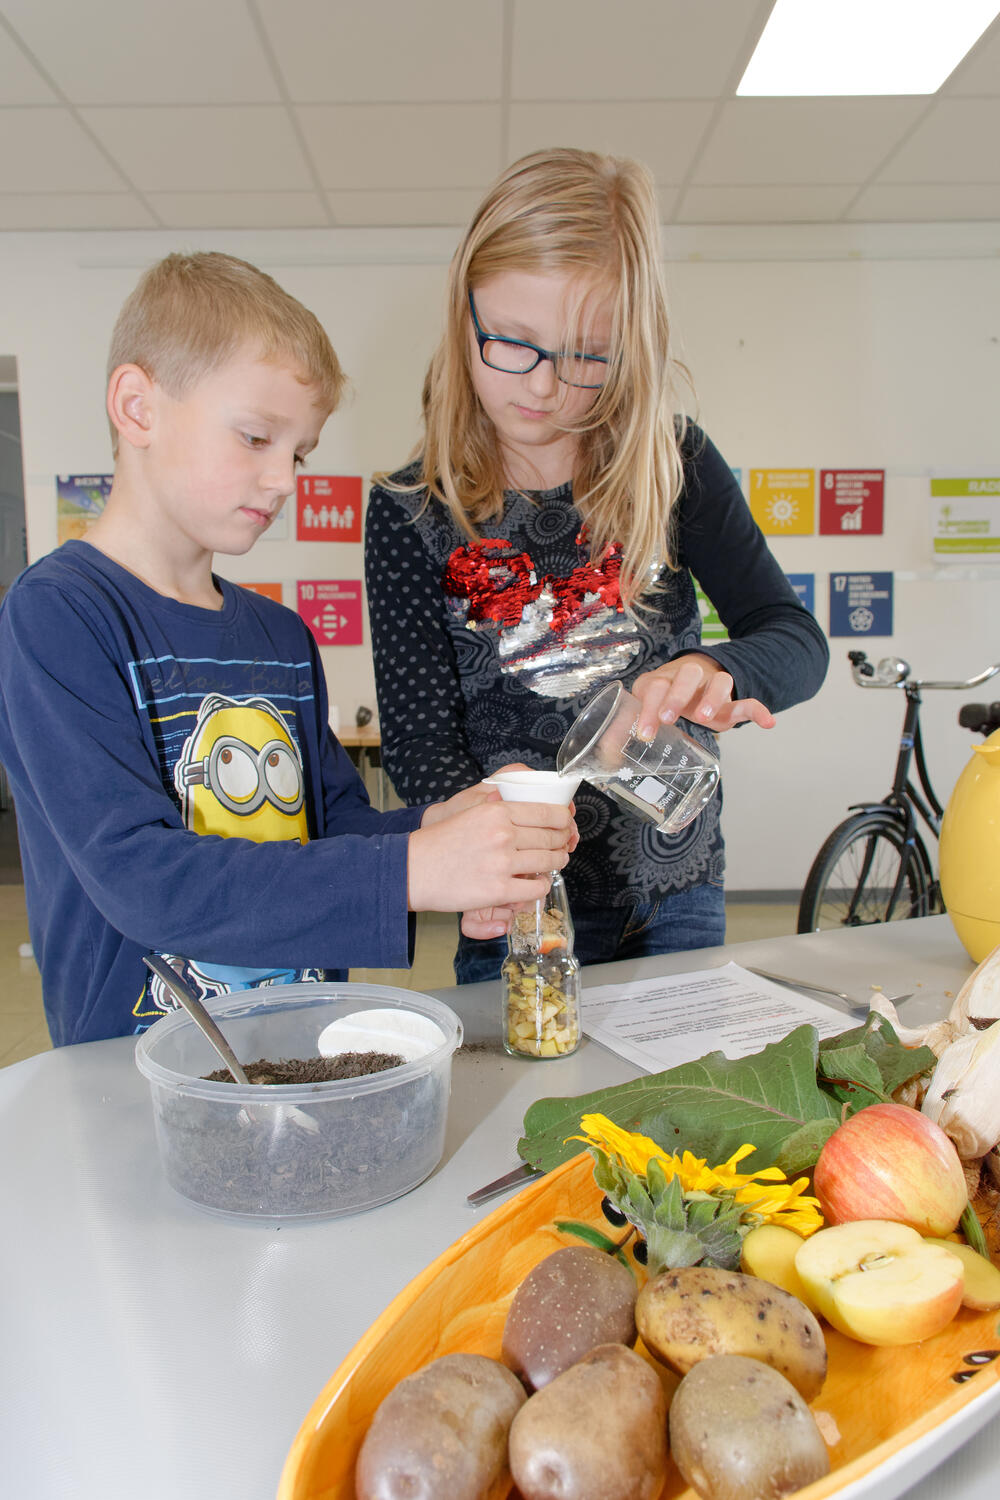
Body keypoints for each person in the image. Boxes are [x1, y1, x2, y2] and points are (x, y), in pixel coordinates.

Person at [0, 251, 574, 1046]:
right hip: (131, 1067)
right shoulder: (58, 614)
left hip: (297, 1044)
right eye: (255, 437)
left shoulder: (278, 635)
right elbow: (140, 878)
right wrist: (412, 871)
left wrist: (446, 828)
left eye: (297, 453)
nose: (282, 480)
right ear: (138, 407)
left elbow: (332, 823)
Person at [365, 148, 829, 985]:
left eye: (587, 356)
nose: (543, 388)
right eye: (512, 342)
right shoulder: (409, 509)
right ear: (463, 314)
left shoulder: (672, 461)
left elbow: (795, 639)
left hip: (677, 888)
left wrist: (714, 669)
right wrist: (483, 797)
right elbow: (417, 743)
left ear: (635, 346)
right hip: (517, 895)